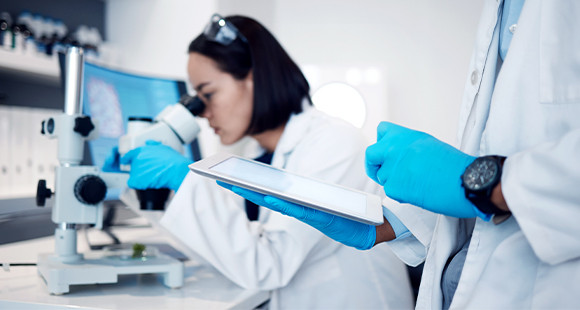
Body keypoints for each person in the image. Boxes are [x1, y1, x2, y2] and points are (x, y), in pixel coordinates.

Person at [224, 1, 580, 309]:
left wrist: (481, 181)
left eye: (207, 93)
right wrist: (394, 221)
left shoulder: (329, 136)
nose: (202, 114)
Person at [115, 14, 414, 309]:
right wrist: (144, 192)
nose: (202, 112)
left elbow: (266, 264)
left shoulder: (333, 143)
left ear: (253, 77)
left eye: (208, 94)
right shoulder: (251, 154)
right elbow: (228, 252)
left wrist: (183, 180)